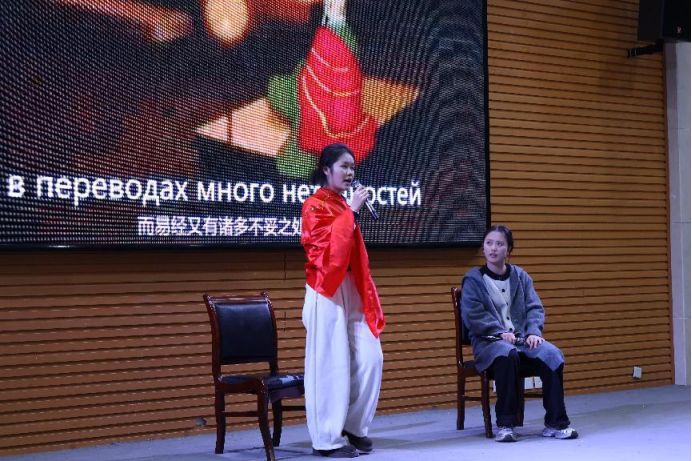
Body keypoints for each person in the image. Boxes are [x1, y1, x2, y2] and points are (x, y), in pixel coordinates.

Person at [301, 143, 386, 458]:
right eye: (344, 166)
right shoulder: (314, 205)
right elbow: (324, 254)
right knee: (331, 365)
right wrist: (352, 212)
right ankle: (326, 439)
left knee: (371, 357)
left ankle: (353, 426)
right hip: (326, 289)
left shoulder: (341, 204)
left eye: (352, 167)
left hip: (351, 287)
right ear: (327, 169)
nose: (350, 172)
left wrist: (350, 211)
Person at [461, 225, 578, 443]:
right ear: (483, 247)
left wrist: (534, 332)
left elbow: (535, 307)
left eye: (499, 244)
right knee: (507, 354)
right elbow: (473, 315)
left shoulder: (521, 276)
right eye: (489, 243)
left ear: (508, 249)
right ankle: (506, 424)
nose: (493, 248)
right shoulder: (473, 279)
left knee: (552, 354)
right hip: (490, 344)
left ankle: (556, 423)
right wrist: (498, 332)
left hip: (522, 341)